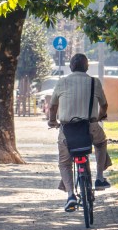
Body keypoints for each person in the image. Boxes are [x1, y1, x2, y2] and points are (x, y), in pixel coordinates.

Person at [47, 53, 112, 212]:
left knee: (64, 162)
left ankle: (70, 195)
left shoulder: (62, 82)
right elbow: (104, 105)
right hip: (90, 128)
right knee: (101, 142)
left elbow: (53, 106)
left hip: (67, 131)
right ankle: (99, 178)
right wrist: (101, 115)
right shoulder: (93, 82)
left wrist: (52, 121)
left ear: (71, 67)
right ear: (87, 67)